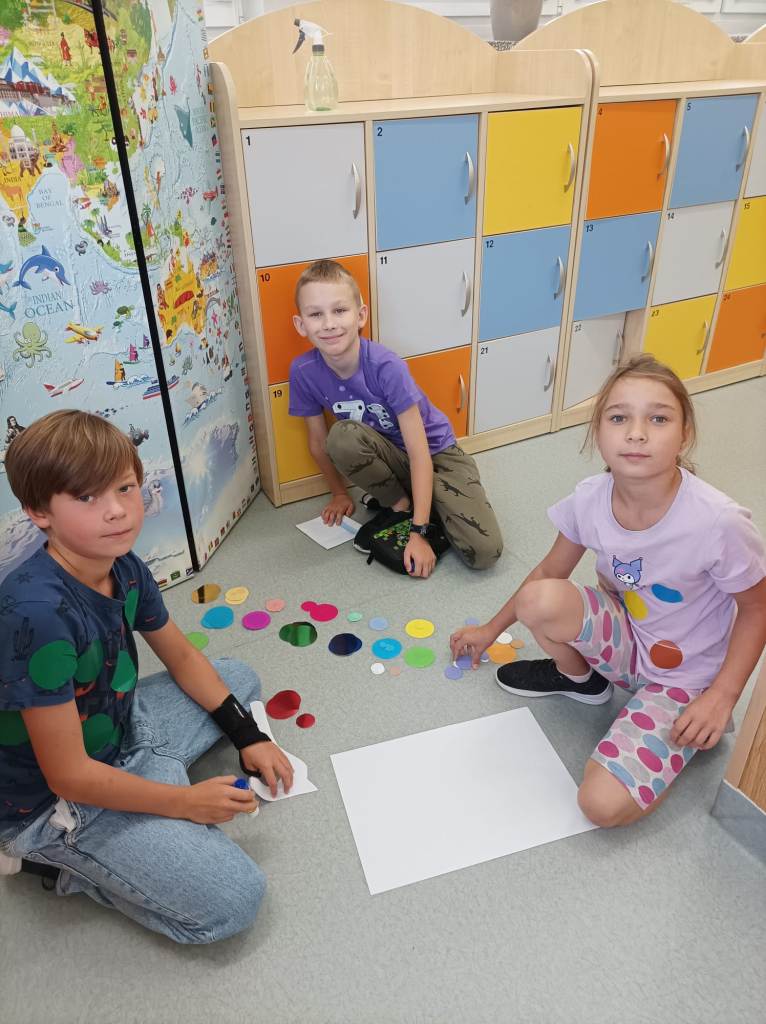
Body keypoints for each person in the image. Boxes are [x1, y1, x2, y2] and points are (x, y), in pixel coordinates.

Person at [0, 410, 293, 943]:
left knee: (237, 678)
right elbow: (68, 775)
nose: (117, 510)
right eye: (86, 497)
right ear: (39, 512)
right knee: (234, 901)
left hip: (118, 727)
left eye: (125, 487)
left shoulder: (123, 564)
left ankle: (153, 780)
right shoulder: (36, 615)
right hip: (53, 801)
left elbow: (181, 656)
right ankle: (58, 859)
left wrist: (247, 734)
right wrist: (184, 802)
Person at [450, 355, 766, 827]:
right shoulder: (590, 497)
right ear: (598, 432)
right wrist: (490, 630)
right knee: (540, 598)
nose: (636, 433)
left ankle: (684, 731)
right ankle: (584, 682)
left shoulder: (718, 522)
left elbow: (758, 608)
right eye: (619, 418)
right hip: (625, 640)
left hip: (683, 677)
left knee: (599, 805)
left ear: (684, 434)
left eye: (658, 418)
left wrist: (722, 695)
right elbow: (548, 571)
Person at [288, 259, 503, 576]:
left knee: (484, 552)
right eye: (315, 314)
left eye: (340, 310)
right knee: (342, 437)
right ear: (300, 324)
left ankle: (425, 509)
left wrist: (419, 533)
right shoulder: (303, 371)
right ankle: (402, 506)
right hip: (391, 458)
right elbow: (319, 442)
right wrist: (339, 493)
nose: (329, 324)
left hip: (438, 455)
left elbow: (419, 451)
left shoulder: (386, 366)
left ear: (361, 315)